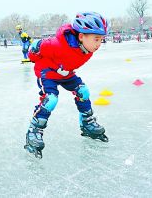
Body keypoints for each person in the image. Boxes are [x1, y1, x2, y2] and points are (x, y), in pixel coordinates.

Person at [24, 12, 109, 158]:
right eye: (96, 39)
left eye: (101, 40)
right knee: (51, 99)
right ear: (81, 36)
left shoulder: (87, 50)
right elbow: (36, 47)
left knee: (83, 91)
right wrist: (32, 57)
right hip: (48, 72)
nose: (98, 44)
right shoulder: (57, 45)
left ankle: (87, 123)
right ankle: (34, 130)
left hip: (66, 73)